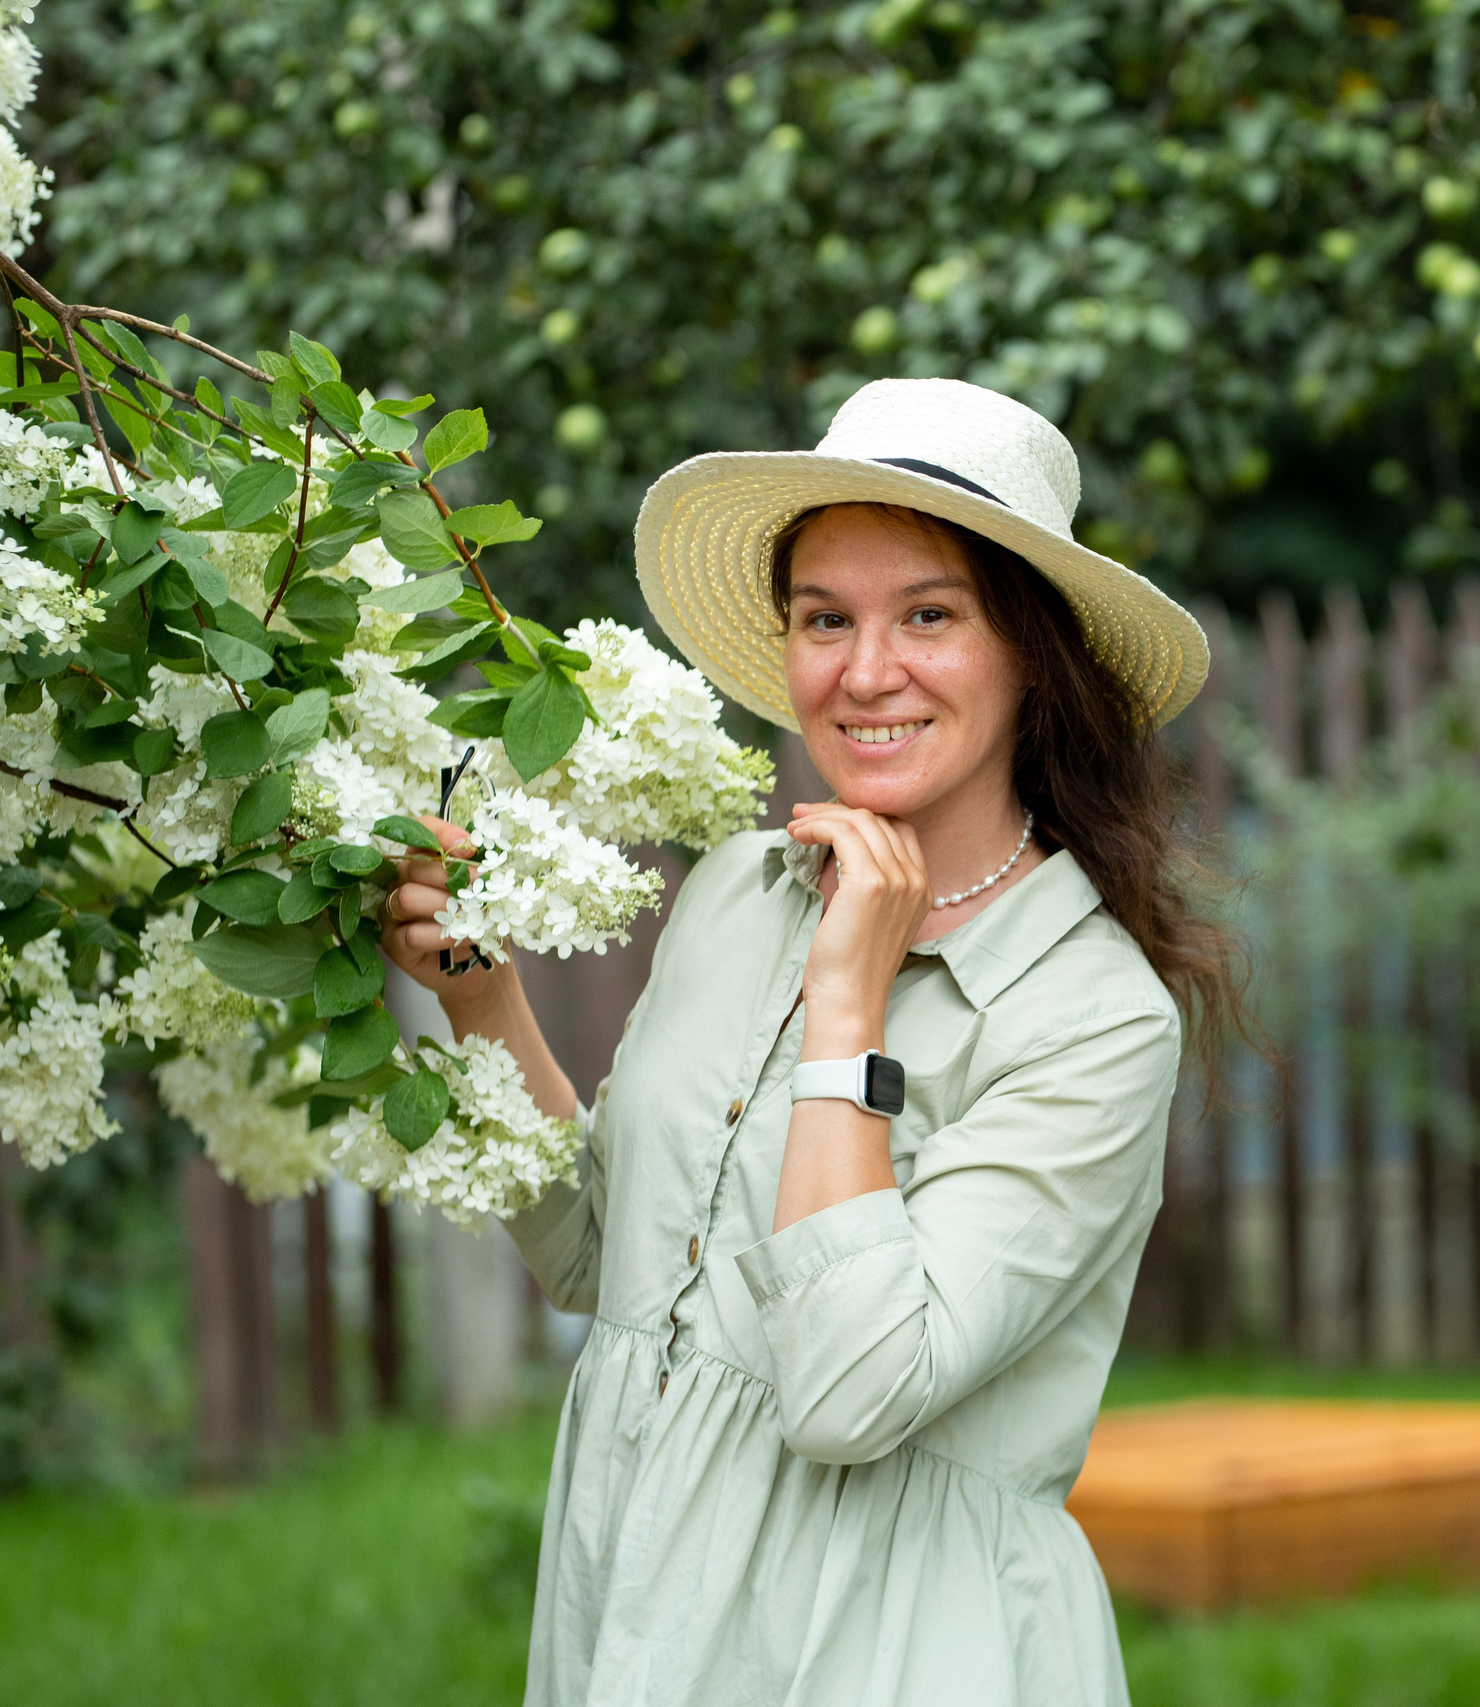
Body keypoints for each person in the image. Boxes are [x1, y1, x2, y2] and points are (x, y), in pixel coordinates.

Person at [379, 377, 1238, 1706]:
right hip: (635, 1607)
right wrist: (479, 997)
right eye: (823, 619)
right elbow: (598, 1261)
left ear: (1029, 653)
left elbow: (849, 1392)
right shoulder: (735, 889)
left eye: (930, 616)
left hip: (890, 1651)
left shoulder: (1093, 1019)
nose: (865, 670)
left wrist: (851, 1003)